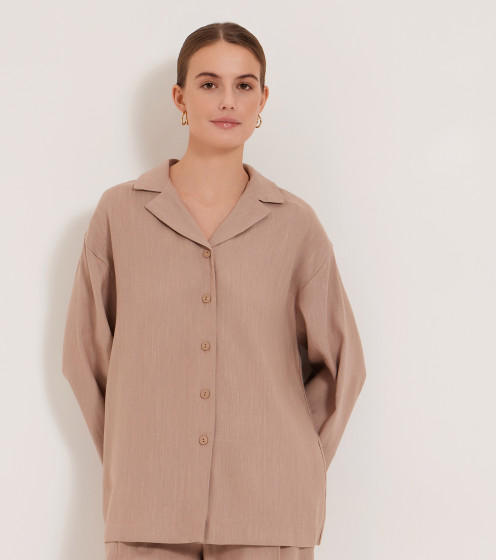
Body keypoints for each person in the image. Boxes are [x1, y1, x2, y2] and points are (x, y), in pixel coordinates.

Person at [62, 21, 367, 560]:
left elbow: (342, 365)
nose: (228, 100)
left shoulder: (295, 224)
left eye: (244, 85)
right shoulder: (120, 214)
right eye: (209, 84)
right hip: (147, 506)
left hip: (268, 509)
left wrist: (295, 461)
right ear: (180, 97)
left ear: (262, 100)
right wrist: (135, 453)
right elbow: (87, 356)